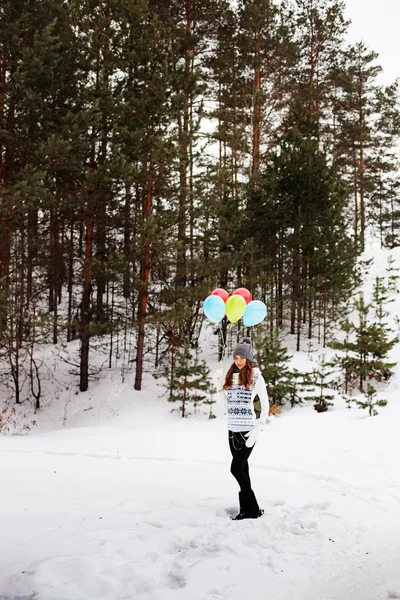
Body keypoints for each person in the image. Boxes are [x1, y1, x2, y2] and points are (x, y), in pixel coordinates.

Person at [214, 337, 269, 520]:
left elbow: (265, 404)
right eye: (236, 357)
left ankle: (251, 509)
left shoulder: (255, 377)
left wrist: (259, 426)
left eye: (242, 358)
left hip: (248, 431)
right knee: (243, 469)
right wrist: (217, 384)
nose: (238, 361)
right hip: (232, 430)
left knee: (235, 469)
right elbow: (224, 403)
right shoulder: (229, 376)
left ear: (248, 359)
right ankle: (249, 511)